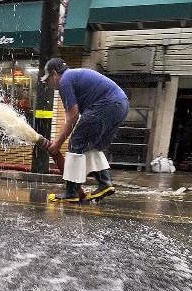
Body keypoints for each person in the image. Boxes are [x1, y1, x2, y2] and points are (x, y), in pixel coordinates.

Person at [39, 58, 129, 202]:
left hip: (107, 104)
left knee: (76, 142)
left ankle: (72, 192)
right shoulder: (74, 76)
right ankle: (105, 183)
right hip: (121, 105)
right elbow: (75, 118)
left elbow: (72, 117)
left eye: (48, 79)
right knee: (90, 146)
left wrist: (57, 143)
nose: (49, 84)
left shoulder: (65, 81)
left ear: (55, 74)